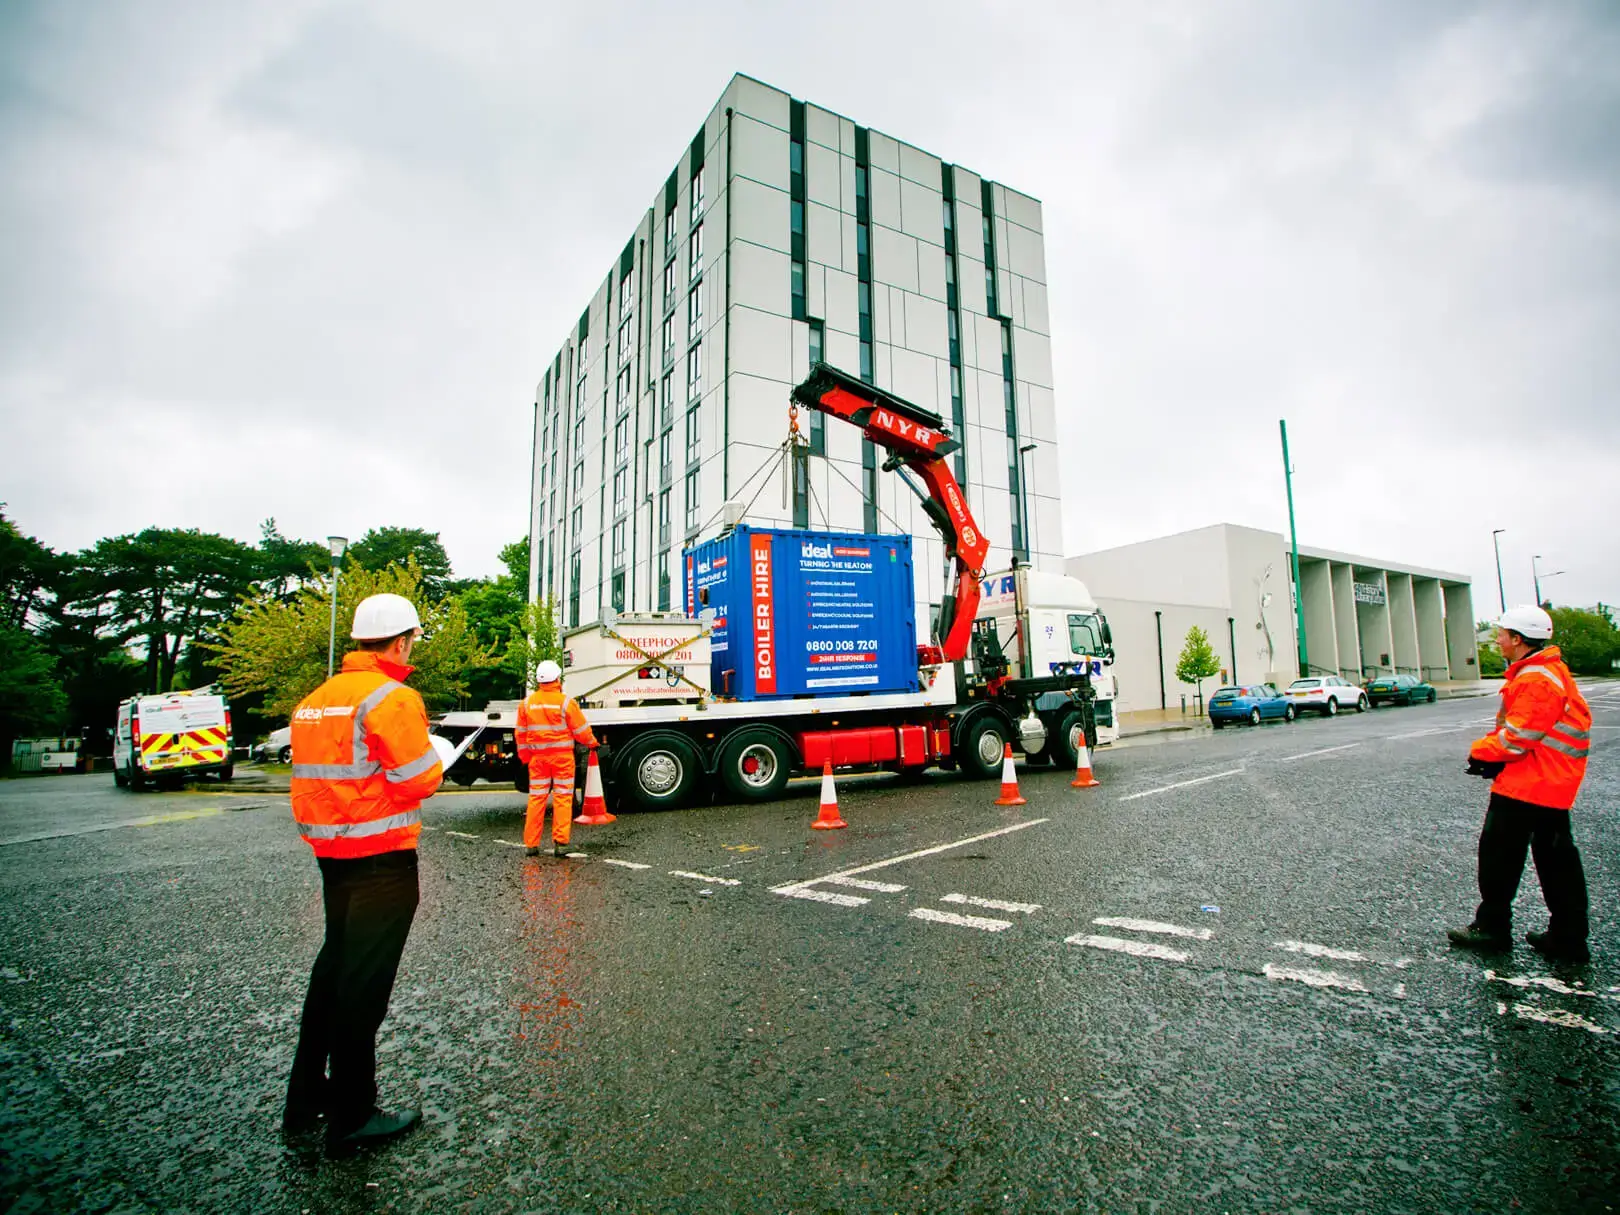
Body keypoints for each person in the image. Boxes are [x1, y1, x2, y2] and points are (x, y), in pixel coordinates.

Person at [282, 592, 444, 1153]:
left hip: (333, 858)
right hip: (383, 862)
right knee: (363, 990)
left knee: (332, 975)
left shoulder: (315, 701)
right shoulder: (392, 698)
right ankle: (352, 1116)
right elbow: (422, 777)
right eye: (413, 641)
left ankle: (305, 1099)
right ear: (401, 641)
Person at [1448, 605, 1592, 963]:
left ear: (1518, 639)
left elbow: (1517, 738)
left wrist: (1479, 752)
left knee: (1499, 857)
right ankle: (1568, 937)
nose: (1497, 640)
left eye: (1501, 635)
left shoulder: (1536, 680)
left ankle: (1493, 929)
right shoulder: (1545, 672)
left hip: (1529, 783)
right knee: (1557, 862)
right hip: (1549, 781)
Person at [516, 660, 597, 857]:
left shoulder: (527, 704)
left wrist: (526, 757)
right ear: (557, 679)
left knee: (536, 799)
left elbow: (521, 733)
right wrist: (592, 743)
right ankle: (561, 843)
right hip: (562, 759)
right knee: (562, 798)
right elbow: (580, 729)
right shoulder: (566, 702)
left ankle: (531, 844)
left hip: (538, 760)